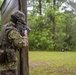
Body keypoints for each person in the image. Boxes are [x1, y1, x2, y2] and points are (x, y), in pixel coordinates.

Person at [0, 10, 29, 75]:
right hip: (9, 66)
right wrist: (25, 34)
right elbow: (22, 44)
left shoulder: (5, 27)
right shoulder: (12, 31)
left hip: (2, 63)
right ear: (17, 20)